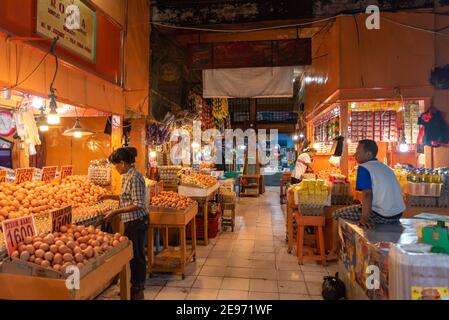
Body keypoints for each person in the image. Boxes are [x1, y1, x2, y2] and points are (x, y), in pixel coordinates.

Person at [327, 139, 405, 259]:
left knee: (336, 214)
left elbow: (367, 194)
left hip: (381, 215)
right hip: (397, 214)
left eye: (358, 152)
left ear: (368, 154)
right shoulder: (386, 167)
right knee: (356, 208)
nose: (355, 155)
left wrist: (364, 217)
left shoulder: (364, 167)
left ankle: (334, 251)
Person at [100, 147, 149, 300]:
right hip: (131, 221)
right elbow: (126, 198)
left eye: (115, 165)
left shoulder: (135, 177)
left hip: (137, 221)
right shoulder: (127, 176)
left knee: (137, 256)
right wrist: (109, 196)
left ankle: (138, 289)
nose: (115, 169)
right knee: (131, 254)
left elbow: (138, 203)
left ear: (122, 163)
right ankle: (133, 285)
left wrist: (115, 212)